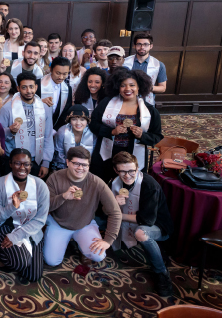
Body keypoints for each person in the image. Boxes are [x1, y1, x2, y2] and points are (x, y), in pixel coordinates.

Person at [106, 151, 174, 296]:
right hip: (131, 219)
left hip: (157, 226)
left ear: (137, 168)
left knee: (141, 233)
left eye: (131, 171)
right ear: (116, 170)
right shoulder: (114, 182)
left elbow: (147, 220)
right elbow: (103, 210)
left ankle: (161, 273)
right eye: (122, 171)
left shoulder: (149, 185)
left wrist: (117, 214)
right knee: (98, 219)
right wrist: (113, 204)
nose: (127, 175)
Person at [44, 147, 122, 267]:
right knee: (52, 261)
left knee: (98, 256)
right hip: (58, 223)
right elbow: (45, 207)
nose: (80, 168)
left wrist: (108, 240)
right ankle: (71, 242)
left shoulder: (97, 182)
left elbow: (115, 212)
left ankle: (83, 247)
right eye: (76, 163)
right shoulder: (54, 178)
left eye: (84, 165)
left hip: (84, 225)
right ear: (67, 162)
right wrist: (63, 196)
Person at [89, 68, 163, 181]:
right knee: (102, 185)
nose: (128, 89)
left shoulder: (150, 111)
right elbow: (93, 123)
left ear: (139, 87)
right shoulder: (106, 103)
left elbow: (157, 136)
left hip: (133, 155)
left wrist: (141, 136)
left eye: (132, 85)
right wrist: (111, 132)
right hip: (107, 154)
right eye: (123, 85)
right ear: (118, 87)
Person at [0, 148, 49, 282]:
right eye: (17, 163)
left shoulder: (40, 186)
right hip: (5, 226)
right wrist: (12, 207)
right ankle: (1, 254)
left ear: (30, 165)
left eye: (26, 164)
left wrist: (18, 236)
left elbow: (40, 219)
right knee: (20, 263)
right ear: (10, 164)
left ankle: (19, 253)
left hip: (30, 227)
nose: (22, 167)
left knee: (33, 276)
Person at [0, 72, 54, 178]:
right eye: (24, 87)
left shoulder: (44, 108)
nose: (28, 91)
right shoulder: (7, 108)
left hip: (36, 160)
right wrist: (10, 131)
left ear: (36, 87)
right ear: (18, 88)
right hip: (13, 161)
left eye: (31, 87)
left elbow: (48, 136)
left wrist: (46, 162)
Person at [123, 33, 167, 105]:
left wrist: (147, 87)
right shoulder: (125, 62)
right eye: (139, 44)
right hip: (126, 101)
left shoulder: (158, 65)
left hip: (147, 101)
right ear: (134, 46)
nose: (142, 47)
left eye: (146, 44)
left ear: (151, 46)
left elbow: (162, 88)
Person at [39, 57, 73, 131]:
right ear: (51, 69)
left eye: (65, 74)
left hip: (55, 129)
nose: (61, 77)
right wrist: (40, 101)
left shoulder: (67, 89)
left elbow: (65, 112)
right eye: (58, 73)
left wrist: (56, 130)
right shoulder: (37, 85)